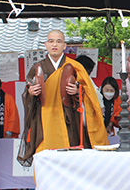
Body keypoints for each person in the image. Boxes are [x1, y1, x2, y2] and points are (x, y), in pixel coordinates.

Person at [18, 30, 108, 165]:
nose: (55, 44)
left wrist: (78, 91)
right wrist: (31, 93)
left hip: (70, 120)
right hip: (45, 119)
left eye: (59, 41)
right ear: (46, 45)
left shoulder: (75, 67)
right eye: (51, 41)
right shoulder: (37, 67)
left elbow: (89, 94)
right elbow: (27, 94)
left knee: (71, 159)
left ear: (64, 46)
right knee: (47, 158)